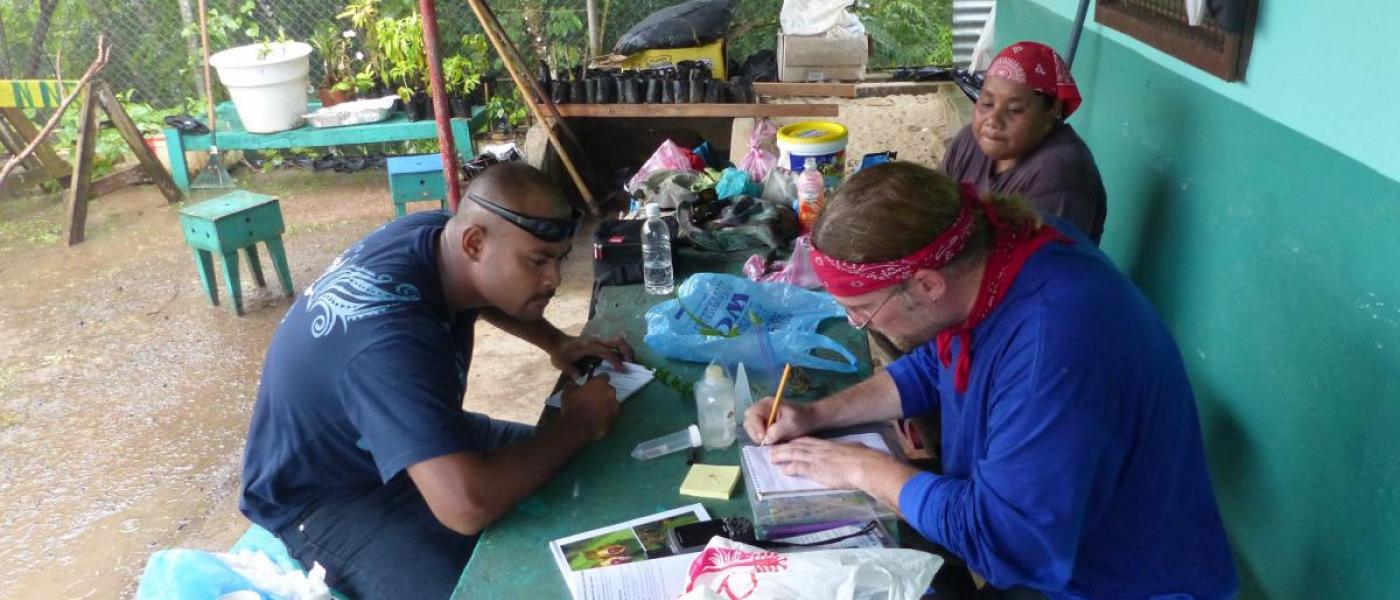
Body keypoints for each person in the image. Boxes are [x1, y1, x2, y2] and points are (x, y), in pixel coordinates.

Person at [743, 162, 1237, 598]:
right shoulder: (997, 252)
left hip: (1112, 583)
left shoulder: (1056, 340)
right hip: (1051, 554)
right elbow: (937, 363)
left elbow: (1006, 542)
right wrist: (816, 414)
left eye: (861, 312)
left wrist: (864, 469)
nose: (861, 325)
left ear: (926, 285)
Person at [240, 163, 634, 599]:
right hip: (329, 492)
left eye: (559, 260)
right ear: (474, 242)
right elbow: (467, 506)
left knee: (588, 476)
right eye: (537, 261)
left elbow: (481, 292)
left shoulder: (435, 237)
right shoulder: (389, 344)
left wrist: (556, 343)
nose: (554, 279)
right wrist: (577, 425)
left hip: (402, 432)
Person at [943, 41, 1108, 244]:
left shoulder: (1060, 173)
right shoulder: (969, 141)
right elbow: (936, 213)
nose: (992, 120)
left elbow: (1040, 267)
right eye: (986, 103)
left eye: (1014, 110)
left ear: (1052, 110)